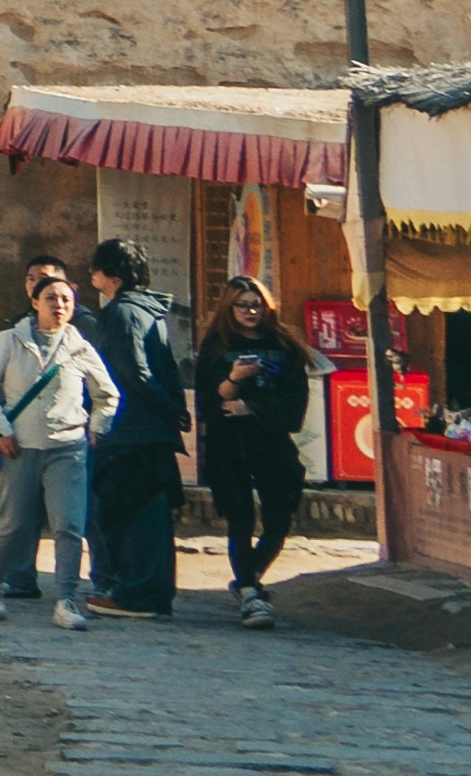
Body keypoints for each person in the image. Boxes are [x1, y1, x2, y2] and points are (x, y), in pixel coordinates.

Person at [0, 260, 119, 627]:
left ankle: (66, 600)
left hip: (68, 449)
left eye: (66, 299)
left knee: (69, 525)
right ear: (35, 302)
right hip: (19, 447)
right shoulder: (9, 341)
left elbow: (108, 394)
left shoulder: (79, 347)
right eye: (51, 298)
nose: (60, 305)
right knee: (14, 522)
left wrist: (97, 427)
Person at [188, 273, 313, 626]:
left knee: (279, 519)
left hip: (272, 443)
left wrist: (253, 408)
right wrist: (233, 381)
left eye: (256, 304)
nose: (250, 311)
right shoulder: (215, 348)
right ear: (229, 307)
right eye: (243, 304)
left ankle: (250, 574)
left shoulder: (285, 346)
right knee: (240, 518)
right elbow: (210, 405)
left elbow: (294, 405)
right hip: (229, 446)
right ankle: (248, 593)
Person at [76, 240, 191, 617]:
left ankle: (137, 595)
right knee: (150, 515)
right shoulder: (150, 311)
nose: (92, 276)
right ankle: (150, 593)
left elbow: (132, 374)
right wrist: (173, 410)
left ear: (113, 275)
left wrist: (163, 408)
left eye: (96, 269)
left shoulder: (122, 313)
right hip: (150, 432)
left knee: (131, 514)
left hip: (131, 431)